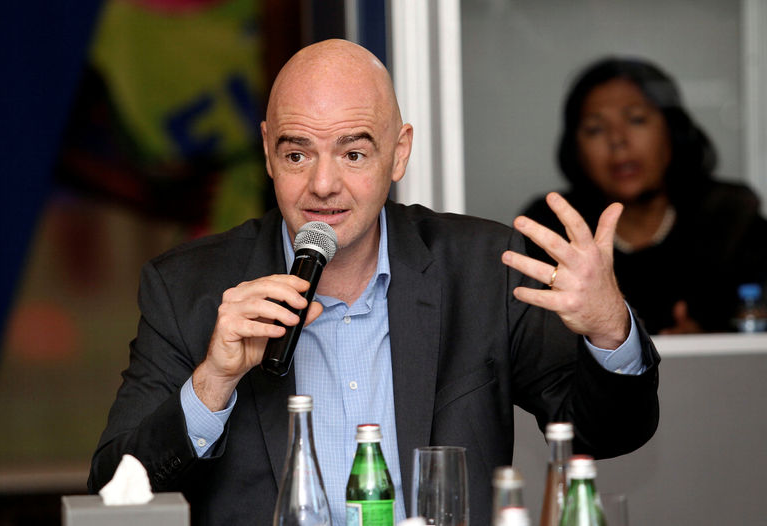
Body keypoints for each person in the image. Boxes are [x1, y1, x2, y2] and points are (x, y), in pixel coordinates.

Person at [88, 40, 659, 526]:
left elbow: (605, 435)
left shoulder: (483, 268)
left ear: (399, 153)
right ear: (267, 152)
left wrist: (611, 330)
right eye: (297, 154)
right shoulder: (187, 286)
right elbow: (113, 492)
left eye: (354, 153)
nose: (323, 185)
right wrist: (213, 382)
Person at [522, 56, 767, 334]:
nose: (617, 140)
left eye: (636, 119)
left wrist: (708, 342)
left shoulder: (729, 220)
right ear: (575, 150)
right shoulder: (553, 231)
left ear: (672, 131)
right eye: (595, 129)